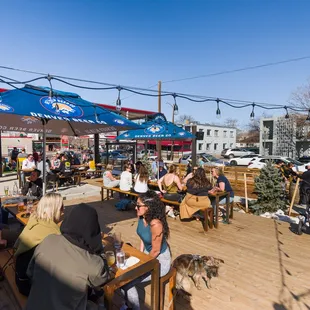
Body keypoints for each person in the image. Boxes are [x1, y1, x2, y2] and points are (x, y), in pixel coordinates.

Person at [25, 203, 111, 310]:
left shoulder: (48, 239)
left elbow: (30, 272)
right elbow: (103, 278)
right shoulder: (92, 263)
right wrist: (99, 250)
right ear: (93, 229)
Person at [121, 191, 171, 310]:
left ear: (148, 207)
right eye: (136, 204)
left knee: (127, 282)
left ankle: (133, 307)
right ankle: (129, 304)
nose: (135, 207)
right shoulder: (141, 216)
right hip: (148, 255)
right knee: (122, 274)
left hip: (160, 260)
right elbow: (143, 238)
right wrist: (140, 253)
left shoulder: (156, 224)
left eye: (138, 205)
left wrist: (140, 263)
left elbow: (156, 250)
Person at [14, 193, 63, 296]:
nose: (63, 211)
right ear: (53, 209)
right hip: (30, 286)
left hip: (19, 277)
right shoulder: (52, 233)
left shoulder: (35, 221)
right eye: (61, 208)